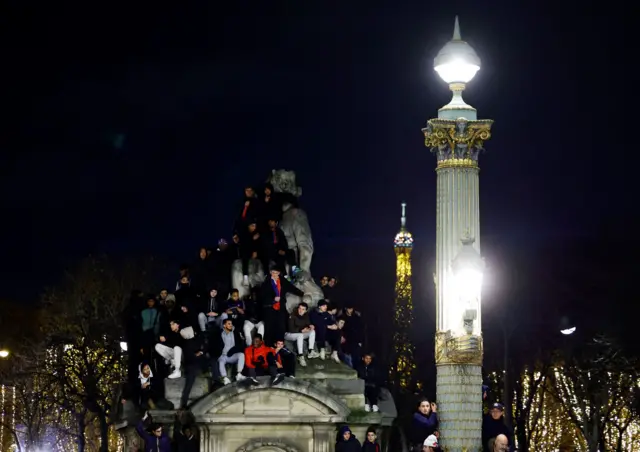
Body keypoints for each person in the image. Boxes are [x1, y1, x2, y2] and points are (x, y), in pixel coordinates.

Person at [260, 265, 304, 346]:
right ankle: (269, 347)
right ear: (270, 272)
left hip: (281, 308)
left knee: (281, 327)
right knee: (270, 329)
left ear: (279, 273)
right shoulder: (266, 283)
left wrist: (302, 294)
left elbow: (291, 288)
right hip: (270, 309)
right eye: (273, 273)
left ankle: (280, 346)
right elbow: (263, 296)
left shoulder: (283, 281)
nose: (275, 274)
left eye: (276, 273)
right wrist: (273, 300)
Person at [285, 301, 320, 367]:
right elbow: (290, 329)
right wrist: (301, 330)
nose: (300, 310)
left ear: (306, 311)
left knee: (312, 332)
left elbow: (308, 323)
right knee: (300, 335)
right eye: (299, 308)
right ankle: (300, 356)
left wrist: (310, 326)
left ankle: (310, 351)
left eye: (303, 309)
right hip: (289, 334)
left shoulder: (306, 315)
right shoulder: (292, 315)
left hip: (299, 333)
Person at [213, 318, 246, 385]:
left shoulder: (235, 332)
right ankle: (225, 378)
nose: (231, 325)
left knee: (241, 355)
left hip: (232, 355)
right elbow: (215, 345)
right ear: (224, 325)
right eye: (229, 324)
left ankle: (239, 374)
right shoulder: (220, 333)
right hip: (223, 355)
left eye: (231, 324)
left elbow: (240, 344)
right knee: (221, 361)